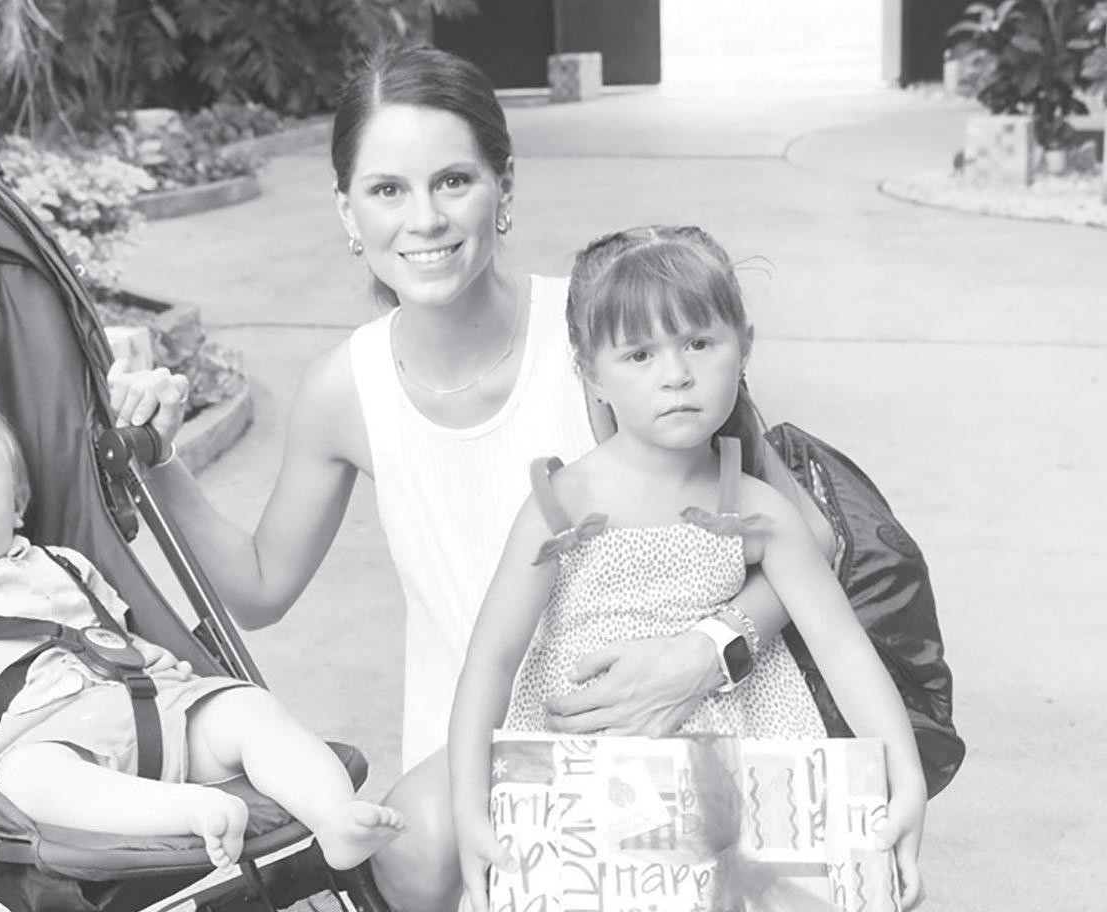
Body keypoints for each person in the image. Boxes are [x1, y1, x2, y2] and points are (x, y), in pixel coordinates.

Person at [105, 45, 838, 911]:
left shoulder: (603, 335)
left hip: (676, 712)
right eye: (387, 190)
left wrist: (703, 654)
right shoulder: (345, 388)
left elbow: (806, 537)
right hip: (480, 744)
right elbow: (261, 588)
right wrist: (162, 462)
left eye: (453, 181)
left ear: (504, 188)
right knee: (415, 847)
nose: (424, 219)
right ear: (347, 211)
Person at [448, 226, 926, 911]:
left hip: (741, 772)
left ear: (744, 345)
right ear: (591, 374)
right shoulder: (561, 505)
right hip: (587, 781)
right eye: (639, 353)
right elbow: (490, 662)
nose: (674, 374)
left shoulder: (756, 508)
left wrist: (904, 779)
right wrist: (470, 807)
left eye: (699, 343)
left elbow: (844, 650)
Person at [0, 389, 405, 870]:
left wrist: (176, 682)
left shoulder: (66, 562)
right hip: (43, 741)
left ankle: (335, 817)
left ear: (18, 503)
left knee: (245, 707)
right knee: (27, 783)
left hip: (151, 709)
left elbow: (117, 635)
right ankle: (188, 810)